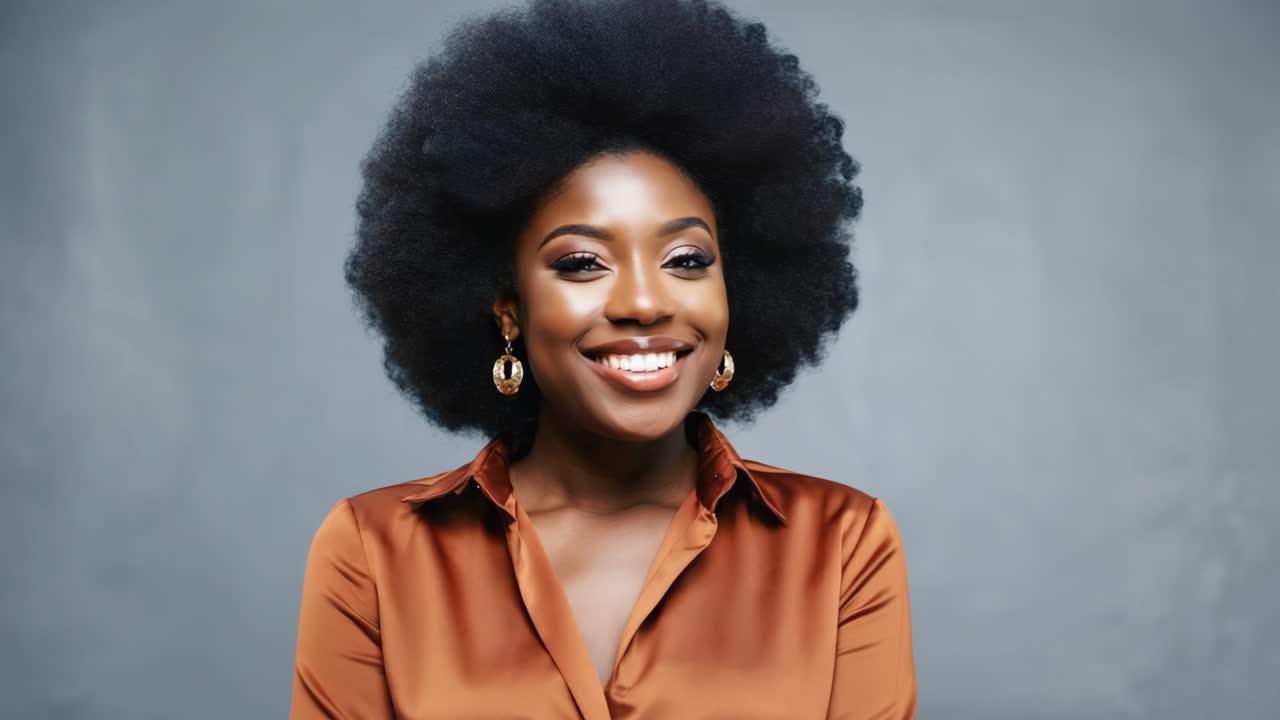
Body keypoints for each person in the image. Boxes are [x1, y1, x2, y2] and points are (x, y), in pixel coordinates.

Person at [290, 0, 917, 717]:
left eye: (686, 259)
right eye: (584, 263)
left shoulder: (841, 544)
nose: (646, 303)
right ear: (507, 307)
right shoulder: (374, 552)